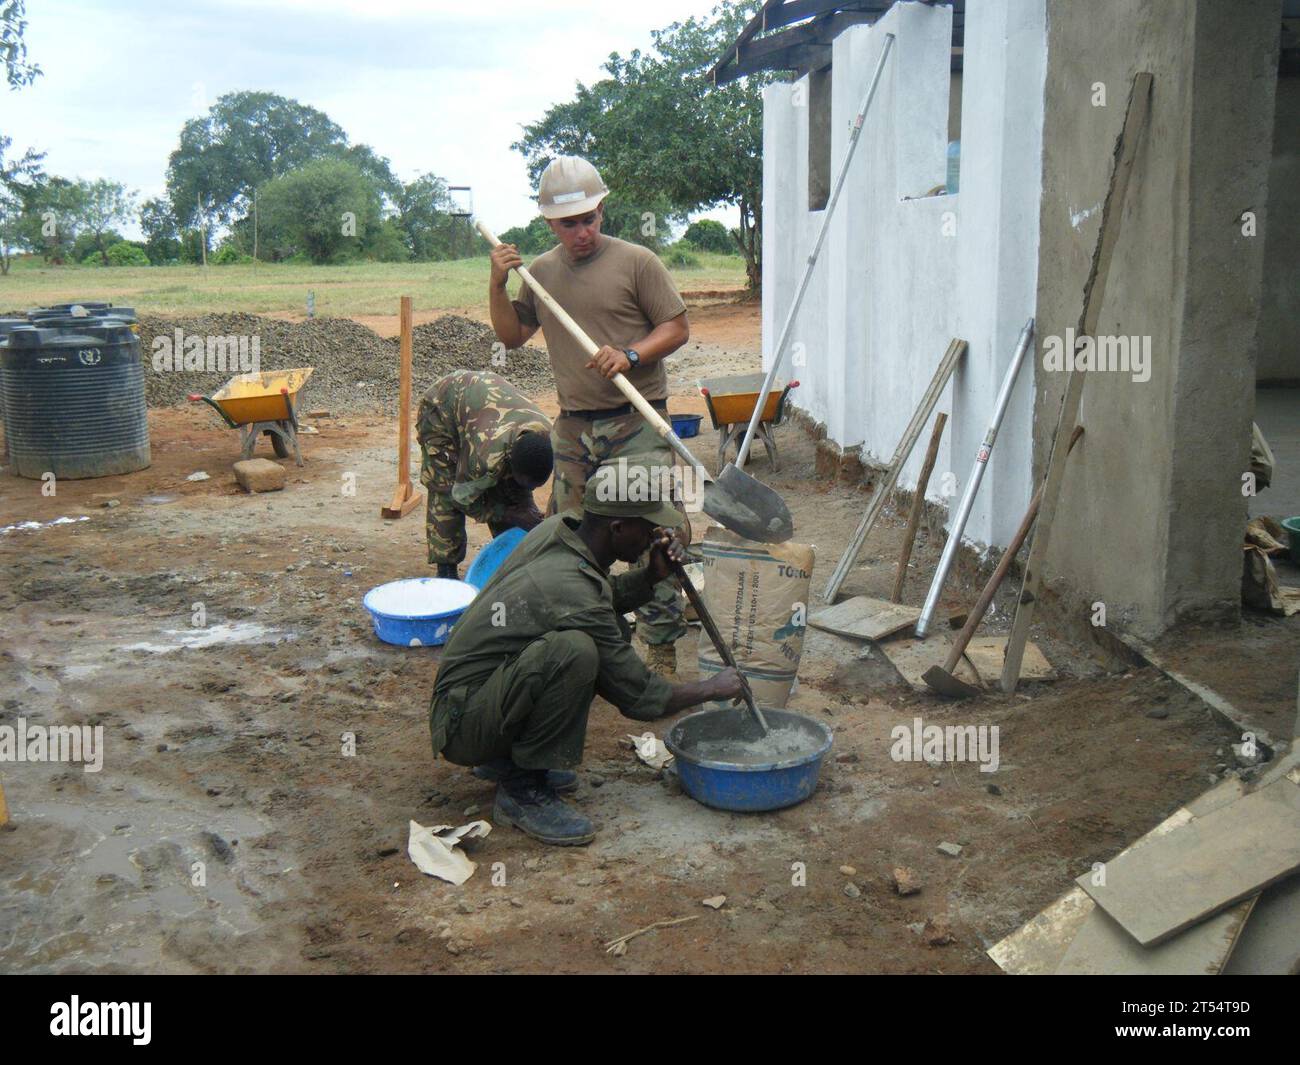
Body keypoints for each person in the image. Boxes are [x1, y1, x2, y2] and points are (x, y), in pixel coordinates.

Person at [428, 458, 746, 846]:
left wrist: (650, 576)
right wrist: (712, 688)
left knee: (592, 633)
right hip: (462, 726)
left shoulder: (561, 532)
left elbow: (597, 597)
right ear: (618, 527)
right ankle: (521, 788)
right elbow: (639, 695)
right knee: (576, 650)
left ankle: (510, 755)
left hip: (472, 700)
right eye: (648, 528)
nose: (654, 537)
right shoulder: (571, 585)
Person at [486, 155, 691, 675]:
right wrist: (497, 285)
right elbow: (511, 337)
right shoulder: (540, 273)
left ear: (602, 210)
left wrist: (632, 355)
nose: (582, 232)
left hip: (637, 421)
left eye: (590, 218)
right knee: (572, 536)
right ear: (548, 223)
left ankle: (661, 647)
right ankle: (591, 635)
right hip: (574, 429)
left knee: (649, 530)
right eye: (568, 223)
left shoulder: (637, 262)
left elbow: (677, 327)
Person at [416, 369, 553, 580]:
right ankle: (446, 571)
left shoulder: (551, 440)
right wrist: (507, 514)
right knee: (444, 489)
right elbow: (460, 498)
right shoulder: (483, 458)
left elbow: (520, 484)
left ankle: (508, 556)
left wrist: (527, 509)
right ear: (509, 462)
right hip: (441, 408)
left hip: (482, 407)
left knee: (510, 493)